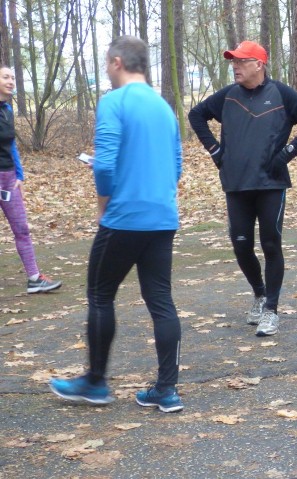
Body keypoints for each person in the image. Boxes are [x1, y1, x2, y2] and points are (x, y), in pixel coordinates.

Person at [49, 36, 184, 412]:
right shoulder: (164, 108)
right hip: (162, 216)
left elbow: (105, 164)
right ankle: (167, 390)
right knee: (161, 301)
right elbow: (176, 166)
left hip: (124, 217)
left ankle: (95, 383)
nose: (107, 71)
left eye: (107, 64)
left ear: (117, 62)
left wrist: (102, 205)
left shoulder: (113, 102)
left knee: (100, 294)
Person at [188, 41, 297, 336]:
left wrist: (288, 153)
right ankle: (259, 293)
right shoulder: (228, 96)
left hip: (270, 183)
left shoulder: (280, 94)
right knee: (240, 244)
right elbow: (196, 115)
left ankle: (272, 310)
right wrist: (214, 150)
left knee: (271, 243)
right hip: (236, 183)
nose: (235, 67)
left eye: (241, 61)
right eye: (233, 62)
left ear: (258, 65)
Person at [0, 66, 62, 294]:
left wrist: (19, 176)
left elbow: (11, 145)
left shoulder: (7, 110)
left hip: (8, 179)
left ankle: (35, 278)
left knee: (22, 228)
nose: (11, 81)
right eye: (5, 77)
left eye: (13, 77)